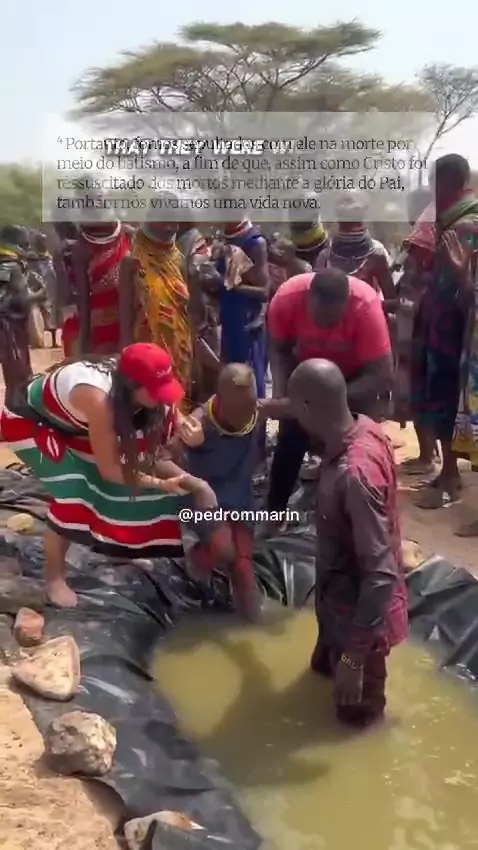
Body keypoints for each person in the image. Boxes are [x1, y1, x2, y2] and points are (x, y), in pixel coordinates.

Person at [0, 343, 216, 608]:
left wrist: (195, 437)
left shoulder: (141, 390)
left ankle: (119, 549)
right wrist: (161, 484)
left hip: (74, 424)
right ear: (131, 387)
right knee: (75, 493)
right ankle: (54, 579)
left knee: (130, 473)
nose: (163, 398)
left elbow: (174, 431)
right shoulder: (98, 399)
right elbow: (111, 470)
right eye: (156, 392)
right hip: (29, 422)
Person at [288, 358, 408, 727]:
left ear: (306, 407)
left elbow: (380, 575)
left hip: (359, 626)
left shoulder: (355, 476)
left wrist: (354, 660)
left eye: (294, 406)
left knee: (356, 724)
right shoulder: (364, 427)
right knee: (318, 678)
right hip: (336, 605)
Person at [266, 267, 394, 515]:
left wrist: (331, 400)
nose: (327, 326)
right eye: (321, 318)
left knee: (354, 446)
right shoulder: (286, 299)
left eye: (333, 319)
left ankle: (354, 512)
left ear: (346, 305)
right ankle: (274, 513)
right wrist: (282, 397)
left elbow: (381, 375)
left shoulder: (365, 307)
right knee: (290, 437)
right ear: (308, 300)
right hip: (307, 374)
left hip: (356, 380)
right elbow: (279, 350)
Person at [178, 363, 279, 621]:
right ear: (220, 400)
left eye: (250, 407)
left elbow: (297, 406)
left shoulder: (257, 411)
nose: (245, 417)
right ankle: (195, 563)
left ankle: (254, 625)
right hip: (204, 501)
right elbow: (160, 460)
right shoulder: (198, 424)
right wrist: (196, 484)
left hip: (240, 498)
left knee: (243, 564)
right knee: (225, 551)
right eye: (238, 411)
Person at [413, 154, 478, 509]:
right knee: (442, 397)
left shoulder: (464, 226)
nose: (430, 190)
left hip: (455, 331)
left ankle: (451, 476)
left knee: (447, 398)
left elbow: (459, 284)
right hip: (444, 325)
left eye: (433, 182)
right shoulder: (451, 221)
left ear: (448, 183)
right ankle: (448, 471)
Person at [120, 212, 193, 412]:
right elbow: (125, 314)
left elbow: (187, 310)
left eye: (173, 221)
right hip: (146, 353)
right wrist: (125, 356)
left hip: (180, 352)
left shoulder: (180, 260)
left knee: (176, 409)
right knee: (148, 410)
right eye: (163, 220)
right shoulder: (132, 261)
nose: (169, 227)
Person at [64, 220, 131, 357]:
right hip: (103, 321)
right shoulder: (81, 248)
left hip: (132, 314)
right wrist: (84, 344)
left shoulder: (129, 235)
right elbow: (84, 300)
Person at [220, 220, 271, 398]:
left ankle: (257, 416)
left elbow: (264, 291)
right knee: (232, 380)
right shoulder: (227, 242)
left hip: (247, 323)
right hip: (229, 322)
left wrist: (233, 286)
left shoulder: (255, 242)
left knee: (249, 382)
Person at [317, 197, 395, 301]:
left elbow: (391, 300)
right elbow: (317, 299)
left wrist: (368, 306)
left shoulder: (376, 253)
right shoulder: (325, 257)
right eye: (345, 216)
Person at [0, 226, 44, 405]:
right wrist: (38, 295)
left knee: (18, 374)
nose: (27, 249)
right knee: (18, 376)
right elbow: (12, 300)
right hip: (8, 327)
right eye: (25, 244)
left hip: (11, 327)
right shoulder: (10, 266)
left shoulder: (8, 265)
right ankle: (15, 412)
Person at [31, 232, 60, 347]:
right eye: (39, 242)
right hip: (36, 290)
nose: (42, 244)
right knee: (37, 316)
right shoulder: (32, 258)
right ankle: (39, 340)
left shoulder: (49, 258)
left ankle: (53, 341)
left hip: (49, 289)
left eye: (43, 241)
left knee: (51, 314)